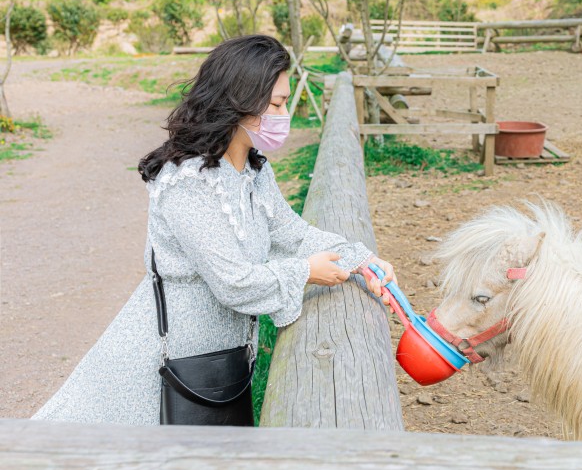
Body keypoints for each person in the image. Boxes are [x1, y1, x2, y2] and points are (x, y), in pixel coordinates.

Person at [32, 34, 395, 425]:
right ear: (238, 100)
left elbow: (293, 234)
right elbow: (233, 282)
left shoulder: (253, 171)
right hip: (165, 365)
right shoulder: (187, 183)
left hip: (218, 365)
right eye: (276, 103)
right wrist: (305, 271)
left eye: (285, 102)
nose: (283, 113)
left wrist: (363, 258)